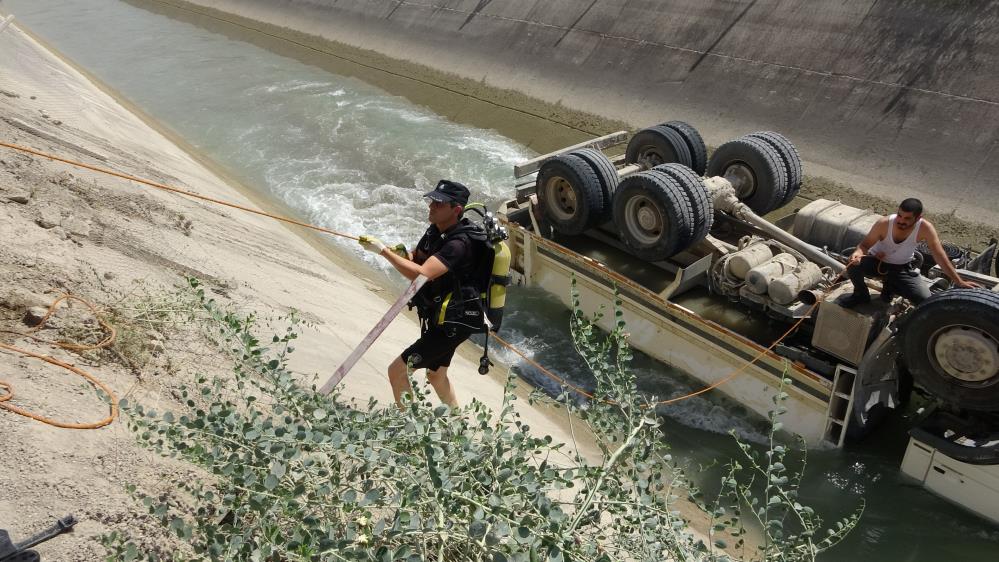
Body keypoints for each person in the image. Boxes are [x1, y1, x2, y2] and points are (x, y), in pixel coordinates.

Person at [358, 180, 484, 409]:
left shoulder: (459, 244)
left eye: (439, 203)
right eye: (432, 201)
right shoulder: (434, 230)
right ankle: (459, 426)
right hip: (441, 317)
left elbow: (422, 275)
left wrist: (383, 252)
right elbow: (417, 259)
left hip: (454, 324)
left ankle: (407, 428)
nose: (432, 207)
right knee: (436, 376)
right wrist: (402, 254)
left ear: (456, 210)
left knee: (397, 371)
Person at [840, 198, 978, 307]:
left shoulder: (925, 228)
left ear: (918, 218)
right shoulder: (884, 224)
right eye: (900, 215)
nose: (901, 221)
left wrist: (959, 281)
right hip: (877, 262)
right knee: (853, 264)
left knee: (924, 300)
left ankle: (891, 286)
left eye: (907, 218)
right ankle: (861, 296)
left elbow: (940, 255)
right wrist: (858, 253)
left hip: (901, 267)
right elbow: (864, 245)